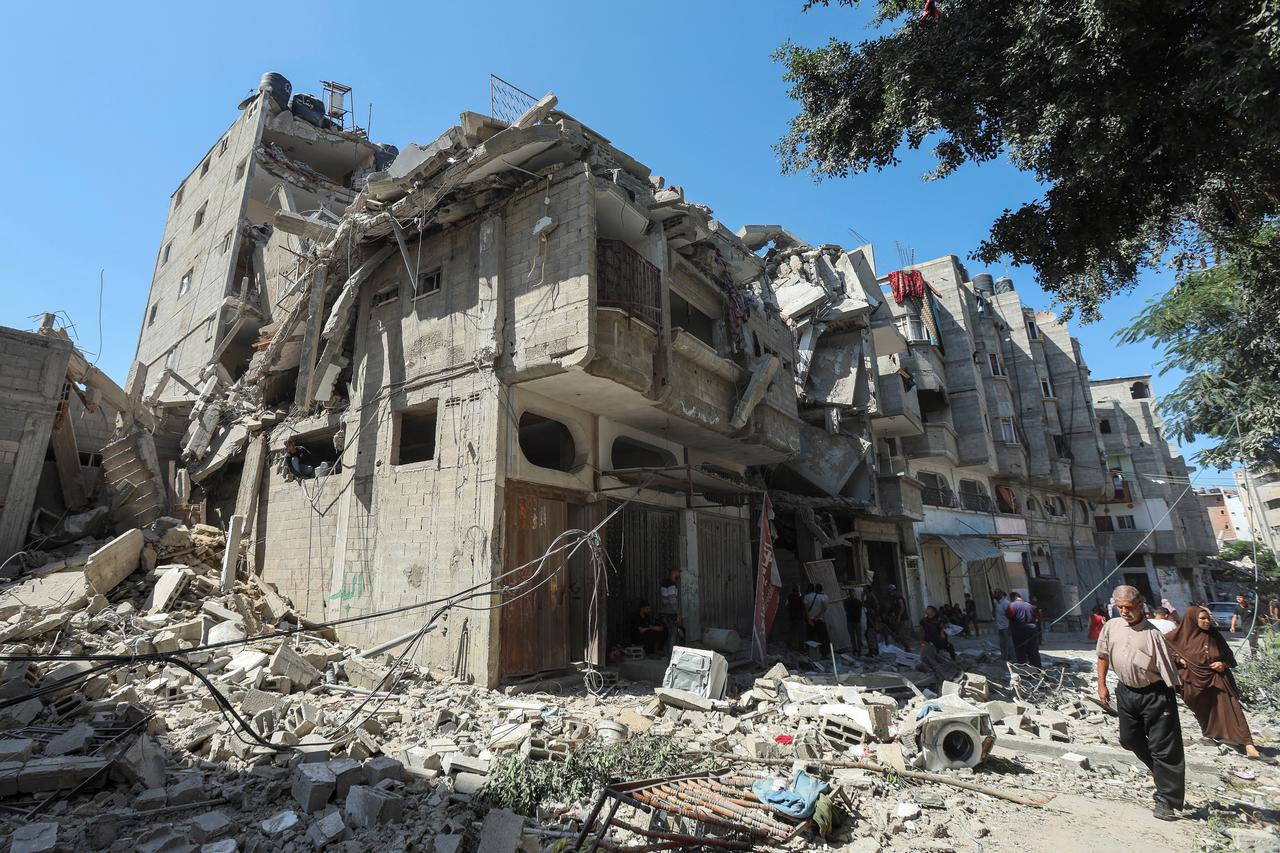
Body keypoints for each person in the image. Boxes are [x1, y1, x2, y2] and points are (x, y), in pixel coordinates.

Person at [1096, 585, 1185, 821]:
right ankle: (1162, 773)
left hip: (1155, 694)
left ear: (1140, 606)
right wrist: (1101, 684)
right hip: (1126, 692)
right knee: (1129, 739)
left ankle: (1166, 800)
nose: (1124, 611)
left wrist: (1179, 694)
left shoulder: (1153, 634)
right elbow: (1103, 655)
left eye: (1129, 607)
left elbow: (1169, 670)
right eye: (1120, 607)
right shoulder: (1111, 626)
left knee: (1163, 748)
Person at [1164, 605, 1261, 758]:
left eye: (1208, 618)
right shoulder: (1173, 638)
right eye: (1202, 618)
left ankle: (1248, 745)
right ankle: (1209, 733)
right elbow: (1165, 654)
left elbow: (1229, 657)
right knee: (1203, 710)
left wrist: (1223, 664)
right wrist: (1179, 660)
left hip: (1217, 678)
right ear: (1192, 620)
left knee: (1233, 709)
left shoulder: (1214, 636)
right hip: (1191, 682)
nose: (1207, 621)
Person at [1006, 592, 1042, 667]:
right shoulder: (1030, 605)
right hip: (1032, 630)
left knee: (1020, 650)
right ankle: (1038, 669)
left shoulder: (1012, 605)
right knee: (1033, 650)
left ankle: (1023, 669)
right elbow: (1038, 617)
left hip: (1019, 630)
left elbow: (1009, 616)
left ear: (1012, 598)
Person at [657, 569, 682, 655]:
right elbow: (672, 599)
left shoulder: (665, 583)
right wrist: (678, 613)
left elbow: (665, 600)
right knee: (673, 635)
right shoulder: (671, 584)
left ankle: (668, 653)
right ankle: (671, 655)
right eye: (678, 572)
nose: (679, 574)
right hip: (670, 613)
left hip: (665, 611)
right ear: (674, 572)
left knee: (669, 634)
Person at [803, 583, 831, 655]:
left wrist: (808, 618)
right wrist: (818, 616)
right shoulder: (821, 597)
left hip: (810, 620)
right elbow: (825, 608)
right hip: (819, 620)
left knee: (810, 638)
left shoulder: (806, 597)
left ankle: (811, 654)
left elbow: (806, 609)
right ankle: (824, 653)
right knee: (822, 638)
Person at [885, 584, 913, 650]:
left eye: (890, 590)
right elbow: (892, 608)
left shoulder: (898, 597)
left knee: (902, 636)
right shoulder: (893, 598)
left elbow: (902, 607)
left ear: (893, 590)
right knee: (900, 635)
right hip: (899, 620)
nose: (889, 592)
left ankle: (908, 649)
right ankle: (907, 648)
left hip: (903, 619)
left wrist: (899, 617)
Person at [994, 589, 1013, 661]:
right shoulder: (997, 604)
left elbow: (1011, 616)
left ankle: (1011, 657)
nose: (995, 595)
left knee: (1009, 643)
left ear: (1001, 594)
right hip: (1000, 626)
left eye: (996, 593)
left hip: (1006, 626)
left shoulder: (1006, 603)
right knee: (1002, 643)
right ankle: (1004, 656)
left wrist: (1010, 627)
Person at [843, 592, 863, 657]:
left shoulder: (847, 601)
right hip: (854, 621)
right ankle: (857, 650)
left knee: (854, 637)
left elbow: (846, 610)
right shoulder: (856, 601)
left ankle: (856, 650)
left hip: (852, 620)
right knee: (856, 637)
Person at [785, 586, 805, 651]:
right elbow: (803, 607)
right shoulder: (800, 598)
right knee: (800, 633)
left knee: (791, 632)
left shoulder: (789, 597)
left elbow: (786, 605)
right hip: (799, 617)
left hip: (792, 617)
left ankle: (789, 646)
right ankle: (801, 647)